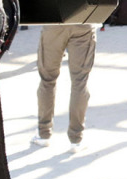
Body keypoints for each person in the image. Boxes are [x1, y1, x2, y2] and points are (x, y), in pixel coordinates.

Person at [32, 23, 97, 153]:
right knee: (80, 83)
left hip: (54, 22)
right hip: (83, 22)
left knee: (47, 80)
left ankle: (44, 133)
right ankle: (76, 139)